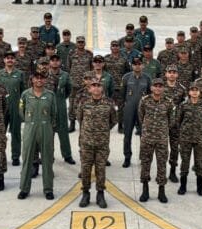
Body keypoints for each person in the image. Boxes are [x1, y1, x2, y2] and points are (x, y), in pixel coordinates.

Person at [77, 78, 118, 208]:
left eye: (98, 86)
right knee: (85, 168)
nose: (96, 88)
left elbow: (113, 120)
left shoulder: (109, 103)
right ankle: (85, 193)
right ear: (89, 89)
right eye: (93, 86)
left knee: (101, 169)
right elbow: (80, 118)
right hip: (86, 142)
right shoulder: (83, 102)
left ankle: (100, 194)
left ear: (102, 88)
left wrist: (103, 130)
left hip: (102, 143)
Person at [18, 71, 57, 200]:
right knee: (27, 159)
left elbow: (54, 113)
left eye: (42, 78)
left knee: (47, 160)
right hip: (30, 128)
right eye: (36, 78)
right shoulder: (25, 94)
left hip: (46, 128)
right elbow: (21, 111)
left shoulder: (50, 95)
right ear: (32, 80)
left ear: (45, 80)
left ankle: (48, 189)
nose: (39, 80)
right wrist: (29, 122)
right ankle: (24, 189)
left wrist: (48, 124)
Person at [137, 78, 172, 203]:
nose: (158, 88)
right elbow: (141, 116)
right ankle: (145, 189)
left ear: (163, 88)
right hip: (147, 138)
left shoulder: (168, 102)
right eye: (155, 86)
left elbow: (171, 119)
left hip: (162, 139)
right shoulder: (145, 101)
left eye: (160, 86)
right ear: (151, 88)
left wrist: (162, 130)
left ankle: (161, 190)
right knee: (145, 164)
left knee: (162, 164)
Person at [177, 80, 202, 196]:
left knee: (199, 163)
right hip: (186, 138)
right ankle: (183, 186)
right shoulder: (183, 105)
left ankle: (200, 187)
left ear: (200, 92)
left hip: (199, 139)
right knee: (185, 162)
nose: (195, 92)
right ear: (189, 92)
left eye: (197, 90)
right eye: (192, 90)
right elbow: (178, 121)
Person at [120, 57, 151, 167]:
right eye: (135, 64)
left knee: (144, 135)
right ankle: (127, 157)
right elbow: (122, 95)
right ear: (132, 65)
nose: (137, 66)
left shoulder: (147, 78)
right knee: (127, 135)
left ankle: (143, 157)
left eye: (139, 64)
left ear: (143, 65)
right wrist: (123, 109)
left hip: (143, 111)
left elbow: (150, 95)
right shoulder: (126, 77)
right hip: (129, 110)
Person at [45, 54, 75, 164]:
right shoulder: (44, 75)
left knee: (63, 133)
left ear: (60, 62)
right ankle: (49, 155)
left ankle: (67, 155)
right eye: (52, 60)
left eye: (57, 60)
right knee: (49, 134)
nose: (55, 62)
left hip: (61, 106)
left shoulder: (65, 75)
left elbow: (69, 89)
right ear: (49, 62)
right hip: (47, 107)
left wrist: (61, 99)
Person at [0, 52, 25, 166]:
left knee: (16, 133)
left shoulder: (20, 74)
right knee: (0, 134)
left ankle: (15, 156)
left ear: (15, 60)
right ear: (4, 60)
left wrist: (22, 108)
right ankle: (0, 156)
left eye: (12, 58)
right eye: (7, 58)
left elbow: (23, 92)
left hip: (15, 107)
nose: (9, 60)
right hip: (2, 107)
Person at [163, 64, 186, 184]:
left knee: (174, 148)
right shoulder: (160, 87)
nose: (172, 74)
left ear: (177, 74)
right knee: (162, 149)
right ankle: (161, 172)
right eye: (170, 72)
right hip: (162, 123)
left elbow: (185, 106)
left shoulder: (182, 89)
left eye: (174, 72)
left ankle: (172, 171)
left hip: (176, 124)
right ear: (166, 74)